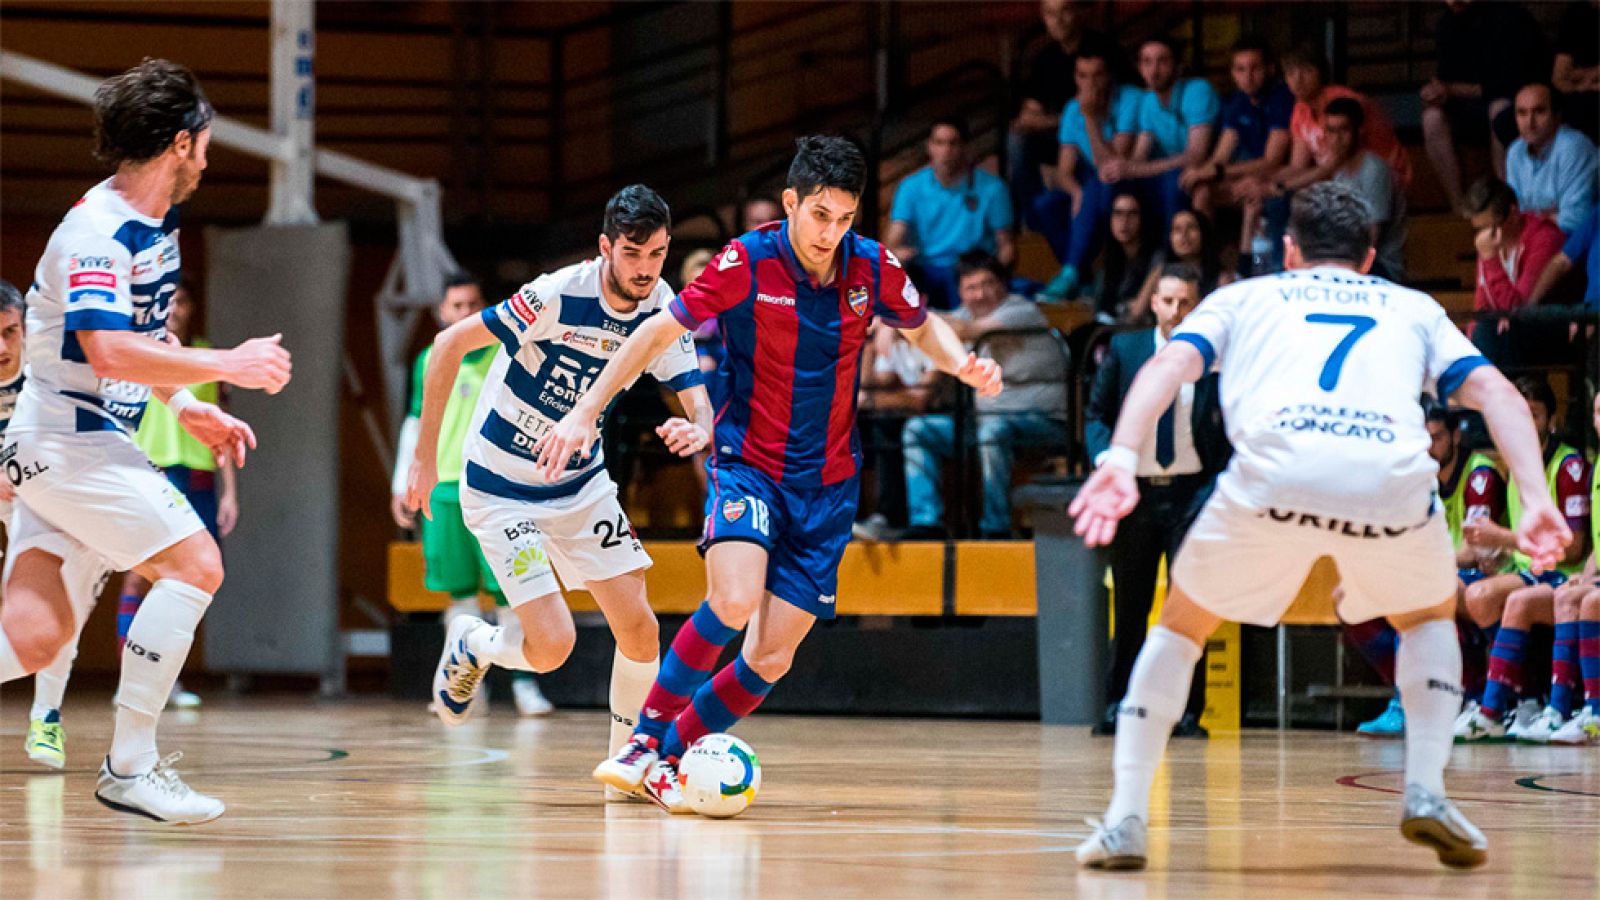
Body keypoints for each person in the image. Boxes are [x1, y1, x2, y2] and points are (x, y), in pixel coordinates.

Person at [1069, 181, 1570, 871]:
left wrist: (1121, 459)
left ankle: (1126, 818)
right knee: (1426, 621)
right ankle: (1425, 790)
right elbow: (1497, 393)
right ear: (1368, 256)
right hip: (1386, 482)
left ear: (1289, 250)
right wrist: (1536, 492)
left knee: (1178, 629)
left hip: (1274, 478)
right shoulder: (1412, 306)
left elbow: (1168, 367)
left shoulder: (1246, 296)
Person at [543, 137, 999, 811]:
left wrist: (961, 363)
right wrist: (587, 410)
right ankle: (644, 740)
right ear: (790, 203)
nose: (831, 232)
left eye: (845, 218)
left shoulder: (869, 267)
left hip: (829, 486)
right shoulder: (746, 260)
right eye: (819, 214)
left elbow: (922, 325)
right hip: (748, 465)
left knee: (770, 658)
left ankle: (666, 762)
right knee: (731, 600)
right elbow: (652, 335)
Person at [0, 58, 292, 824]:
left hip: (73, 441)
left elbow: (142, 339)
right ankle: (130, 767)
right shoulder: (94, 234)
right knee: (198, 564)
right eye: (204, 142)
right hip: (72, 441)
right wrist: (229, 362)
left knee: (33, 639)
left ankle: (130, 764)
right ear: (181, 143)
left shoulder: (156, 226)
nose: (207, 155)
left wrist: (187, 402)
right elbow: (105, 350)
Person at [405, 185, 712, 802]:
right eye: (632, 253)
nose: (645, 267)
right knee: (551, 649)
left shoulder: (663, 306)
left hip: (579, 486)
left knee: (641, 630)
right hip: (500, 489)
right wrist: (422, 458)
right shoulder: (555, 294)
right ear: (606, 247)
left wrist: (699, 424)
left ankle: (630, 768)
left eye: (656, 253)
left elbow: (692, 388)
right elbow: (446, 345)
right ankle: (475, 641)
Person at [392, 272, 552, 718]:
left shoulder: (507, 354)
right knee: (458, 593)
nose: (464, 313)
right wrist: (401, 482)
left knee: (511, 590)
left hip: (495, 489)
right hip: (443, 490)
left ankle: (524, 685)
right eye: (456, 306)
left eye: (471, 305)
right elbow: (414, 421)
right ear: (442, 312)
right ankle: (462, 685)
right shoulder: (429, 358)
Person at [1084, 263, 1229, 738]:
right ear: (1153, 303)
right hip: (1134, 492)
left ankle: (1188, 712)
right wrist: (1109, 461)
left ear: (1198, 304)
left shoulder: (1213, 357)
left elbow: (1230, 423)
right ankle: (1120, 705)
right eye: (1168, 301)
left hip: (1192, 491)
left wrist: (1219, 484)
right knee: (1130, 603)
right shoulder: (1125, 351)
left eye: (1185, 301)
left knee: (1190, 603)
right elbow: (1096, 414)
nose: (1176, 310)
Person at [102, 283, 232, 714]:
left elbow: (220, 427)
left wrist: (230, 490)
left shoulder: (204, 356)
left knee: (190, 580)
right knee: (140, 577)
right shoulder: (135, 352)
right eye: (168, 300)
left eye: (182, 300)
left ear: (191, 307)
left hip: (197, 476)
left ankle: (164, 681)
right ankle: (130, 680)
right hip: (149, 470)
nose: (174, 308)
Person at [1346, 402, 1506, 739]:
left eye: (1437, 438)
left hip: (1487, 576)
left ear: (1455, 437)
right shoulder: (1416, 477)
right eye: (1423, 439)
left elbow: (1475, 551)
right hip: (1439, 573)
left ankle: (1469, 691)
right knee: (1350, 597)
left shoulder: (1479, 475)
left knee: (1424, 591)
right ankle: (1408, 697)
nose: (1430, 447)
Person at [4, 278, 111, 771]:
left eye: (10, 332)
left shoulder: (49, 372)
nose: (2, 347)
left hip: (43, 498)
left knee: (56, 611)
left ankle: (46, 714)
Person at [1455, 375, 1590, 742]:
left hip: (1562, 572)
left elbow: (1574, 549)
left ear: (1552, 420)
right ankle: (1520, 697)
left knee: (1495, 598)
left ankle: (1507, 704)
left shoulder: (1569, 467)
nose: (1528, 424)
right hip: (1530, 569)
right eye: (1521, 415)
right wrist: (1493, 553)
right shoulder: (1516, 466)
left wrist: (1504, 538)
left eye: (1535, 415)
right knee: (1472, 593)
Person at [902, 251, 1066, 539]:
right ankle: (926, 522)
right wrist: (902, 324)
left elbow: (964, 330)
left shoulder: (1021, 310)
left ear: (1003, 285)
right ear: (961, 293)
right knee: (918, 430)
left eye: (987, 284)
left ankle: (995, 527)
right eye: (971, 288)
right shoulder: (963, 314)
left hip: (1044, 423)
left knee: (993, 430)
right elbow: (939, 324)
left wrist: (900, 323)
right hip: (985, 423)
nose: (980, 295)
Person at [1034, 47, 1142, 300]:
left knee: (1100, 180)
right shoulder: (1073, 108)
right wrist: (1075, 192)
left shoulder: (1129, 99)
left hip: (1133, 181)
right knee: (1045, 205)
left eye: (1097, 75)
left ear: (1109, 77)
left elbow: (1113, 162)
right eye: (1082, 76)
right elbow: (1064, 170)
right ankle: (1080, 274)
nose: (1089, 83)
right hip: (1095, 188)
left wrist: (1091, 120)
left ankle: (1071, 271)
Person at [1420, 1, 1545, 215]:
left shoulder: (1511, 17)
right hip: (1465, 109)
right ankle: (1458, 207)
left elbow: (1508, 83)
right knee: (1431, 118)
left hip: (1509, 105)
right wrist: (1435, 92)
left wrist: (1452, 89)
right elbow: (1445, 78)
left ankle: (1505, 202)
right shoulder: (1446, 24)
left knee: (1500, 111)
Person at [885, 117, 1015, 311]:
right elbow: (894, 236)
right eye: (939, 143)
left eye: (953, 143)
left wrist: (992, 276)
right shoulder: (910, 187)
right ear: (929, 147)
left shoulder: (993, 188)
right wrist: (895, 252)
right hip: (926, 269)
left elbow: (1006, 246)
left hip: (970, 269)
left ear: (965, 147)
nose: (945, 151)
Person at [1182, 36, 1294, 257]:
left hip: (1280, 177)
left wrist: (1218, 171)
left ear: (1270, 69)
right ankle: (1206, 262)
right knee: (1201, 190)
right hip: (1250, 174)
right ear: (1233, 74)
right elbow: (1222, 154)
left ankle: (1252, 261)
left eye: (1255, 69)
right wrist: (1202, 173)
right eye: (1240, 70)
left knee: (1252, 191)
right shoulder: (1238, 102)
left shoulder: (1282, 98)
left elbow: (1272, 159)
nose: (1248, 77)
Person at [1008, 0, 1117, 220]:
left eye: (1064, 11)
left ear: (1079, 11)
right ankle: (1035, 218)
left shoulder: (1103, 49)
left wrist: (1073, 117)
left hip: (1104, 131)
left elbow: (1118, 102)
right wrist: (1065, 119)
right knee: (1017, 139)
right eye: (1050, 13)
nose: (1057, 20)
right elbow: (1028, 116)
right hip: (1062, 133)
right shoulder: (1045, 58)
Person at [1100, 37, 1220, 231]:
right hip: (1171, 171)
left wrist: (1135, 169)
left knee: (1175, 181)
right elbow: (1140, 155)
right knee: (1111, 184)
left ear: (1178, 66)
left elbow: (1197, 156)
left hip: (1215, 168)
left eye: (1162, 61)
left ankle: (1171, 256)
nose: (1153, 71)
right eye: (1146, 62)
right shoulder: (1148, 100)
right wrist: (1121, 167)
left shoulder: (1198, 90)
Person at [1463, 177, 1567, 364]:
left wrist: (1490, 260)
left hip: (1553, 329)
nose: (1484, 236)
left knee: (1489, 334)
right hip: (1505, 335)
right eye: (1478, 230)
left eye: (1491, 227)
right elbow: (1482, 305)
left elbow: (1517, 309)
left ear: (1513, 213)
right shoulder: (1489, 242)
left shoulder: (1544, 239)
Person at [1324, 98, 1407, 282]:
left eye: (1343, 130)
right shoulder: (1340, 173)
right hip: (1349, 259)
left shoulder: (1373, 169)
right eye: (1330, 130)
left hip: (1380, 266)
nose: (1336, 139)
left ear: (1359, 131)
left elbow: (1372, 238)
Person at [1505, 83, 1598, 236]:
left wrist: (1531, 217)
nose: (1530, 122)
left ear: (1557, 115)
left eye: (1539, 111)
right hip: (1536, 238)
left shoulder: (1573, 146)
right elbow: (1513, 216)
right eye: (1522, 113)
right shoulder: (1515, 151)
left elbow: (1576, 219)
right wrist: (1549, 214)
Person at [1128, 209, 1231, 322]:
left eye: (1191, 227)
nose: (1184, 235)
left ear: (1203, 233)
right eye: (1177, 229)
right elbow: (1136, 314)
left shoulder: (1221, 279)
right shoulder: (1160, 273)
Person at [1089, 191, 1157, 323]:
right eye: (1118, 213)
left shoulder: (1156, 259)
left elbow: (1137, 313)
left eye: (1132, 214)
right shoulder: (1105, 260)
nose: (1124, 221)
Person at [1552, 0, 1600, 142]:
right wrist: (1588, 81)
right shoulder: (1577, 13)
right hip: (1578, 93)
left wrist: (1581, 74)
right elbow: (1559, 76)